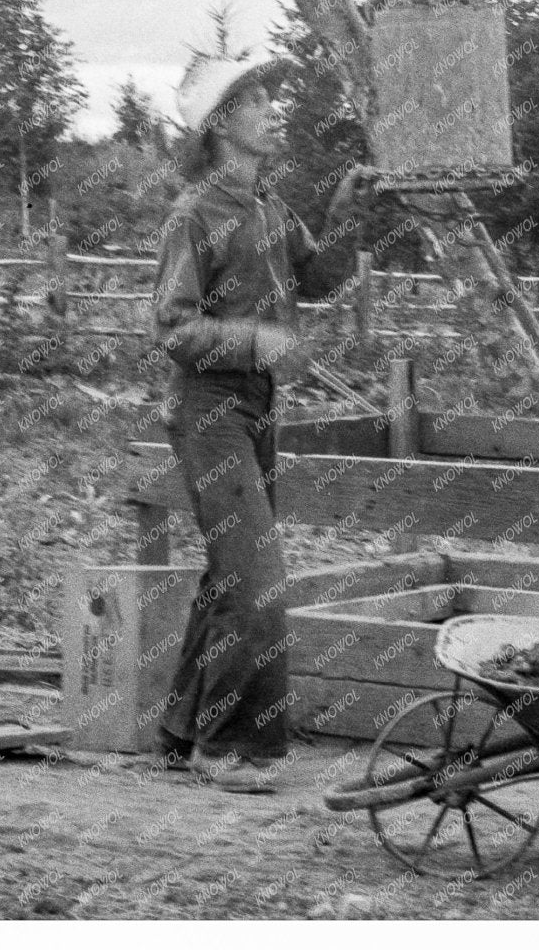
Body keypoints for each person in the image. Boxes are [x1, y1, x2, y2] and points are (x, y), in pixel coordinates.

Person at [150, 49, 377, 791]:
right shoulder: (194, 215)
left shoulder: (271, 210)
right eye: (256, 102)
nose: (272, 111)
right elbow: (174, 327)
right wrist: (258, 340)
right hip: (209, 412)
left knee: (232, 579)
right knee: (259, 585)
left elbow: (320, 277)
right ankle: (227, 746)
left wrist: (346, 213)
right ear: (219, 123)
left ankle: (183, 728)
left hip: (256, 409)